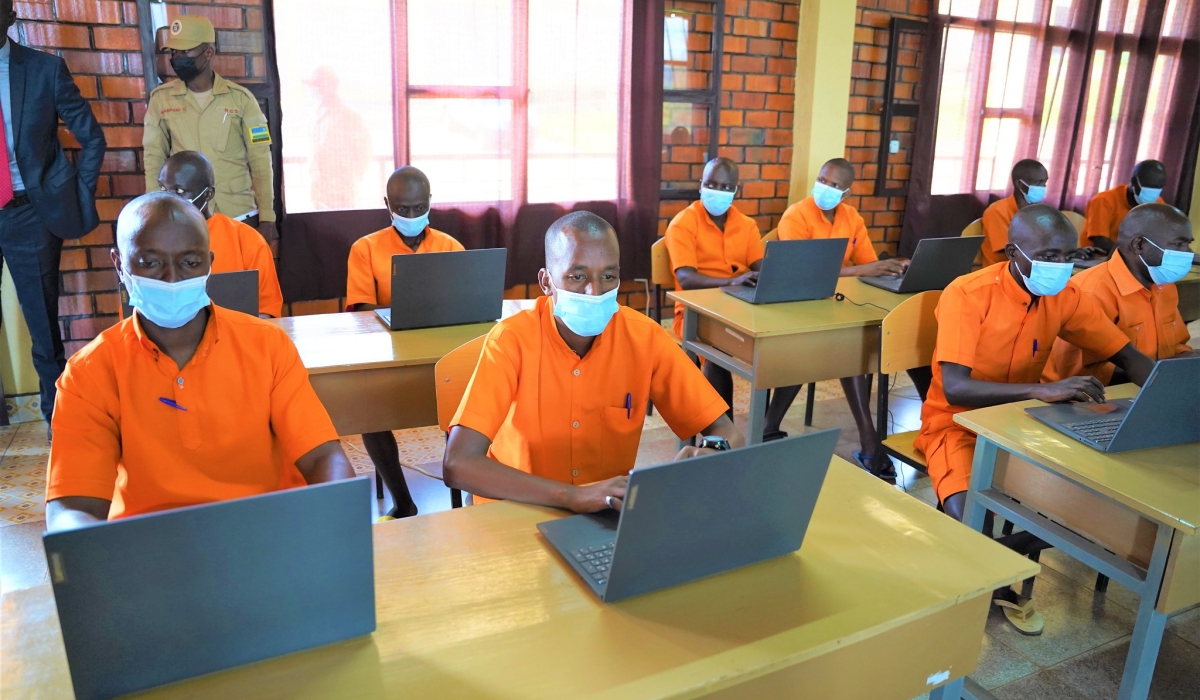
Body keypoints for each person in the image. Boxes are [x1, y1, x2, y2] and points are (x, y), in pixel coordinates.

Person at [44, 192, 353, 532]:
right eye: (150, 262)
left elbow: (322, 456)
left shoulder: (267, 346)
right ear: (120, 263)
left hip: (265, 534)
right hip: (149, 549)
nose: (172, 279)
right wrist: (90, 552)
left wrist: (335, 519)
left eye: (190, 262)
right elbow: (73, 505)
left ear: (210, 262)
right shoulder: (89, 374)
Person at [915, 205, 1155, 635]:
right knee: (975, 523)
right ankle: (986, 558)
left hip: (1025, 425)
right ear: (1012, 253)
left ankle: (1001, 552)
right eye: (1049, 255)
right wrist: (1041, 389)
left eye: (1068, 255)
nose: (1060, 266)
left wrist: (1167, 397)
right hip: (958, 425)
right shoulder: (967, 294)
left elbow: (1127, 354)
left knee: (1101, 511)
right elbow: (955, 387)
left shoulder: (1066, 295)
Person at [442, 211, 743, 511]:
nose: (594, 292)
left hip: (605, 511)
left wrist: (714, 449)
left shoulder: (644, 338)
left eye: (608, 276)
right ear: (546, 282)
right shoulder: (510, 341)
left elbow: (728, 432)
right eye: (577, 276)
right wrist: (572, 496)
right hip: (516, 508)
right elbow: (458, 463)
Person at [0, 0, 106, 432]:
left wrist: (74, 193)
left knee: (43, 324)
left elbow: (92, 137)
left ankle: (57, 418)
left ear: (8, 17)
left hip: (30, 212)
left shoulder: (44, 70)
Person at [766, 158, 907, 478]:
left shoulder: (852, 218)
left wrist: (892, 267)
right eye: (821, 180)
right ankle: (868, 442)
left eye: (833, 184)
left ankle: (771, 426)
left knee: (849, 344)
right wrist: (861, 270)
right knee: (826, 344)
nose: (824, 188)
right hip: (792, 304)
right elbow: (801, 272)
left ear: (846, 191)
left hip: (831, 306)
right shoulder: (796, 215)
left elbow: (869, 264)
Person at [345, 165, 463, 519]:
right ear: (387, 204)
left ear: (430, 202)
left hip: (443, 354)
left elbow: (467, 306)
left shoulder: (451, 247)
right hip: (389, 355)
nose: (410, 215)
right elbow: (362, 312)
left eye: (417, 207)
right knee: (370, 412)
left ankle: (463, 493)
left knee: (467, 407)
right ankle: (403, 501)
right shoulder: (365, 248)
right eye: (402, 208)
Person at [143, 16, 277, 245]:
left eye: (186, 52)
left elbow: (260, 160)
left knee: (238, 280)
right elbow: (153, 158)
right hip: (186, 215)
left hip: (238, 213)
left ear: (208, 53)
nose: (178, 59)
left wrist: (267, 217)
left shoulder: (241, 100)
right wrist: (155, 211)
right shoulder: (161, 100)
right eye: (174, 52)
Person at [1044, 203, 1193, 384]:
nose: (1188, 253)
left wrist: (1188, 362)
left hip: (1156, 386)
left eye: (1188, 244)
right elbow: (1078, 374)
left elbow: (1177, 347)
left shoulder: (1164, 286)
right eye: (1178, 244)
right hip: (1103, 400)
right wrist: (1157, 372)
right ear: (1139, 245)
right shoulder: (1091, 293)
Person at [663, 157, 764, 415]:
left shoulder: (747, 225)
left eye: (725, 186)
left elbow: (761, 266)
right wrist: (732, 281)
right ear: (700, 185)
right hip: (694, 313)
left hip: (740, 308)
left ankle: (768, 427)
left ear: (735, 190)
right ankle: (723, 433)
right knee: (716, 351)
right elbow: (686, 278)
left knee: (783, 347)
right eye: (711, 184)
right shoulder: (683, 223)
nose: (716, 191)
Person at [158, 151, 284, 318]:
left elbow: (267, 310)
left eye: (179, 191)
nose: (168, 199)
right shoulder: (150, 242)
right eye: (162, 189)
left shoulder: (246, 240)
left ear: (208, 194)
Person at [1080, 160, 1166, 253]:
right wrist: (1134, 255)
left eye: (1158, 187)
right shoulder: (1104, 200)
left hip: (1134, 258)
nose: (1153, 192)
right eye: (1149, 186)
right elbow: (1100, 242)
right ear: (1134, 182)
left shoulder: (1158, 204)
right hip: (1099, 257)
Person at [980, 159, 1049, 266]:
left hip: (1031, 269)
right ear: (1020, 185)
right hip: (1001, 272)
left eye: (1045, 182)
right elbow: (1011, 252)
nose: (1043, 187)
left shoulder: (1039, 211)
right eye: (1038, 182)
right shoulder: (997, 211)